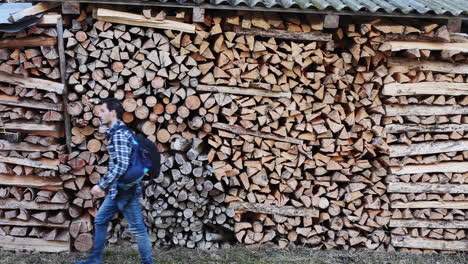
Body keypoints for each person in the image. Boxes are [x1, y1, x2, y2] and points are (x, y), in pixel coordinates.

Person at [76, 98, 154, 264]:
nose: (99, 114)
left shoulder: (118, 134)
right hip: (119, 189)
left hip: (126, 191)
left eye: (103, 110)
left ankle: (148, 262)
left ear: (113, 112)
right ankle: (95, 259)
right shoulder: (118, 131)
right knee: (100, 219)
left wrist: (102, 185)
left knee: (138, 229)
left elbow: (122, 165)